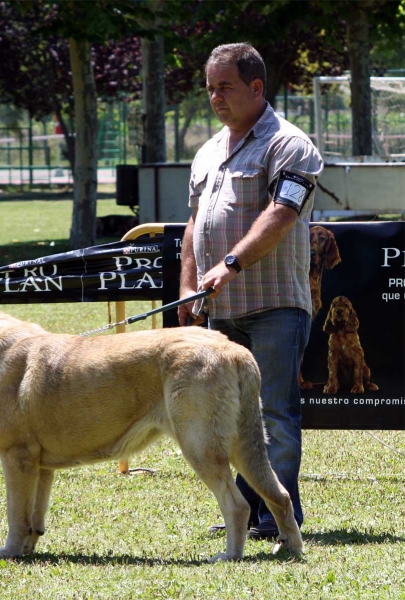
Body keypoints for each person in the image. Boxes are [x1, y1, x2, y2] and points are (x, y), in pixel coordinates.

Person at [177, 42, 323, 540]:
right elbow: (194, 223)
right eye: (210, 88)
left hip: (275, 306)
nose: (215, 97)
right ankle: (249, 511)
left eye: (226, 87)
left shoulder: (291, 144)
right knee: (231, 419)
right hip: (220, 311)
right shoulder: (208, 150)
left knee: (275, 415)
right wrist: (189, 286)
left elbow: (283, 215)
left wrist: (231, 264)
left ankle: (278, 518)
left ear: (257, 88)